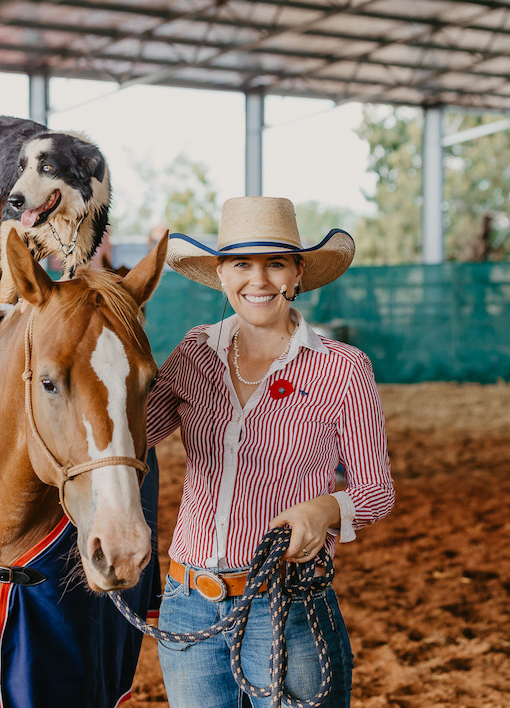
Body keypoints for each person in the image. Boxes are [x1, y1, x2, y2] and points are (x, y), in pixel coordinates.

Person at [146, 196, 395, 708]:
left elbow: (376, 491)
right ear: (221, 274)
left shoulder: (342, 369)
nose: (257, 280)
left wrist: (323, 509)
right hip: (188, 602)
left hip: (287, 601)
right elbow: (130, 437)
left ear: (297, 272)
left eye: (275, 263)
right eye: (241, 263)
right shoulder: (194, 352)